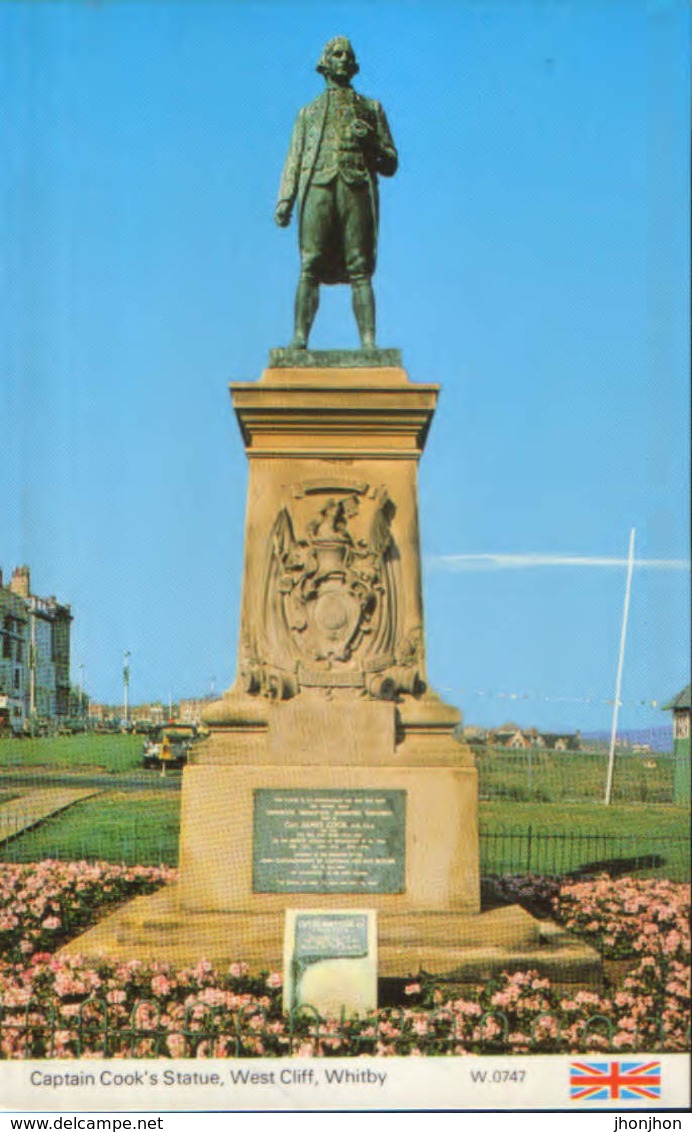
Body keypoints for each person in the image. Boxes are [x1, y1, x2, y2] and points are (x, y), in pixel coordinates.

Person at [275, 36, 398, 349]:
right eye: (336, 54)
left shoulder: (371, 109)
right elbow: (295, 156)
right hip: (317, 185)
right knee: (310, 265)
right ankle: (299, 339)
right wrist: (285, 199)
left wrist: (370, 141)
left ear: (354, 65)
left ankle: (368, 344)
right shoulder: (308, 113)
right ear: (325, 63)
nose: (343, 58)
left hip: (355, 186)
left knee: (360, 268)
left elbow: (390, 163)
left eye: (348, 55)